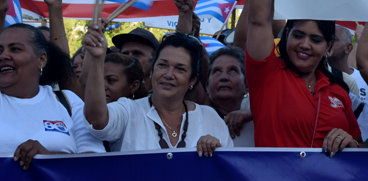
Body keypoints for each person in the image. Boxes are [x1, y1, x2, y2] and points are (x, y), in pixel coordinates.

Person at [243, 0, 361, 155]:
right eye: (298, 35)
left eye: (316, 39)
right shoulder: (266, 74)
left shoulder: (340, 91)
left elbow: (359, 148)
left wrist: (350, 142)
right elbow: (259, 21)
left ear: (329, 47)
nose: (305, 44)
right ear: (286, 36)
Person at [83, 26, 232, 154]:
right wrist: (97, 60)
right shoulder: (129, 111)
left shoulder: (209, 118)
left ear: (192, 80)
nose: (168, 74)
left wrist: (217, 153)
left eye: (180, 69)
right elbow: (96, 119)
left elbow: (228, 169)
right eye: (162, 65)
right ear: (152, 71)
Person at [0, 24, 105, 170]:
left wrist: (47, 157)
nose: (3, 56)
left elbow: (96, 164)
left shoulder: (68, 101)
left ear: (41, 59)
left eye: (15, 49)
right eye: (0, 50)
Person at [206, 46, 254, 145]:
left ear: (247, 86)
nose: (224, 77)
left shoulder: (257, 120)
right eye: (217, 71)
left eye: (232, 70)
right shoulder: (193, 119)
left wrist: (254, 114)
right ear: (207, 86)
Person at [112, 27, 159, 92]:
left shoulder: (163, 94)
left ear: (154, 60)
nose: (129, 58)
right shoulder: (108, 92)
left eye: (137, 53)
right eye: (125, 54)